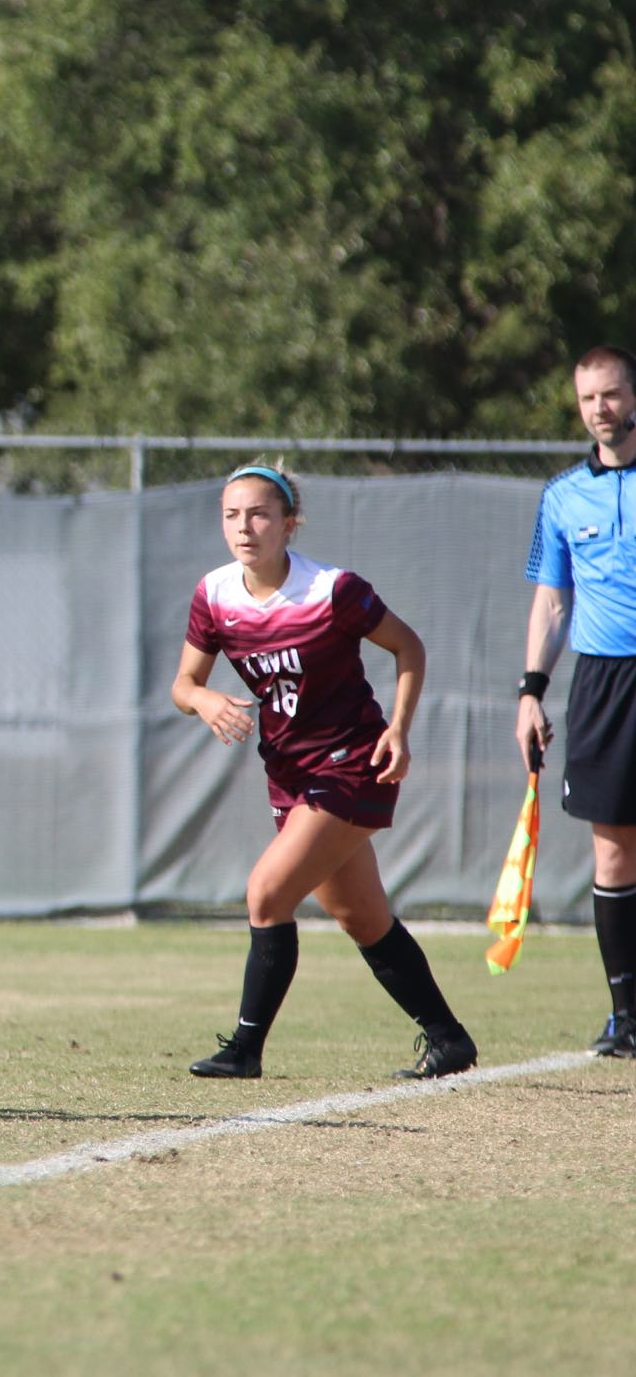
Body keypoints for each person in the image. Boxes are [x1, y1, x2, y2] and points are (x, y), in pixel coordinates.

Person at [172, 463, 477, 1081]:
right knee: (361, 917)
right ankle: (449, 1040)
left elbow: (409, 647)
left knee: (266, 893)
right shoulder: (215, 595)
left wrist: (399, 729)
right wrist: (203, 700)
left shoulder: (331, 590)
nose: (244, 527)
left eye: (259, 514)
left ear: (289, 523)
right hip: (287, 771)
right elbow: (184, 683)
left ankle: (245, 1049)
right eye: (232, 515)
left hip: (350, 763)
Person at [515, 344, 636, 1059]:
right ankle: (626, 1015)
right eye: (590, 398)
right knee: (613, 851)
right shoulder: (562, 496)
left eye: (613, 394)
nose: (602, 409)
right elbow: (552, 600)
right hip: (602, 683)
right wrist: (531, 690)